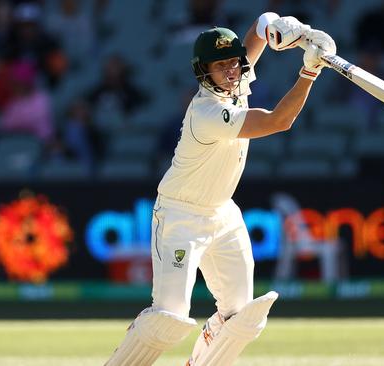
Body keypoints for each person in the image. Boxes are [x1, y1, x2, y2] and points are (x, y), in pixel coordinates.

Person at [104, 12, 336, 366]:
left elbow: (257, 32)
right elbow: (278, 121)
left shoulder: (236, 83)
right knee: (169, 318)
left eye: (234, 63)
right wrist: (310, 71)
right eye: (220, 66)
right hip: (181, 214)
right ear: (203, 72)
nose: (230, 71)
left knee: (243, 316)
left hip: (222, 213)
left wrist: (280, 26)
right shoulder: (207, 112)